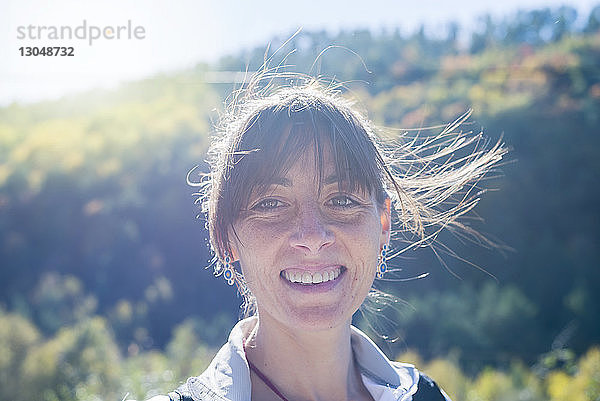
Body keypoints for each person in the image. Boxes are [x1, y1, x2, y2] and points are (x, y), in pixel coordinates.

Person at [146, 73, 506, 401]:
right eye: (272, 203)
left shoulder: (426, 396)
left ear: (383, 224)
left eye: (342, 200)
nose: (312, 237)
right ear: (225, 238)